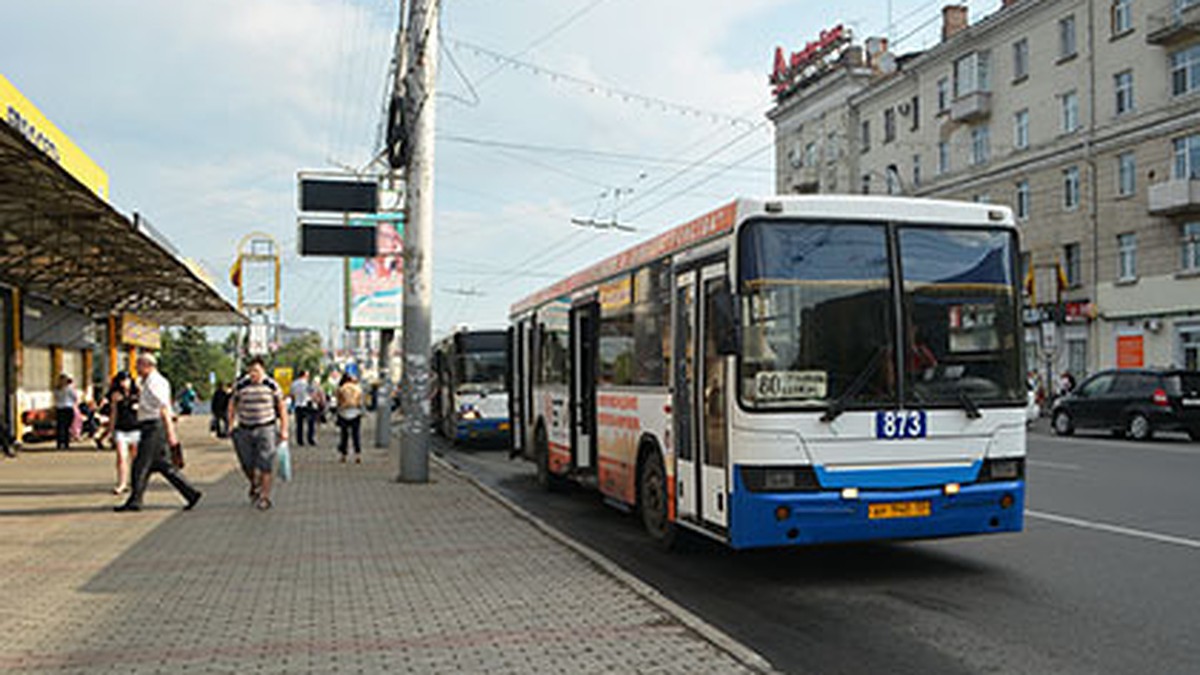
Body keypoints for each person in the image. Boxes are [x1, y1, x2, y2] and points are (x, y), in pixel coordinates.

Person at [115, 354, 202, 512]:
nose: (136, 369)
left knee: (140, 465)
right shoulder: (149, 381)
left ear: (147, 365)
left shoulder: (155, 382)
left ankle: (135, 501)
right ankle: (190, 493)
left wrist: (171, 433)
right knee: (162, 465)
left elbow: (163, 406)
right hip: (152, 426)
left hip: (153, 427)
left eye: (138, 365)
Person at [229, 357, 288, 510]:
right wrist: (230, 423)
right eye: (251, 371)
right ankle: (255, 483)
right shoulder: (241, 385)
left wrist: (284, 429)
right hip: (244, 428)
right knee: (246, 463)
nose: (253, 374)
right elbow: (232, 403)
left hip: (266, 428)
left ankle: (265, 497)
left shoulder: (271, 385)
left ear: (263, 370)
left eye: (256, 371)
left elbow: (281, 407)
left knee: (266, 463)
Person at [106, 371, 139, 495]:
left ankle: (135, 482)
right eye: (121, 381)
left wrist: (139, 407)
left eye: (126, 380)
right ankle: (122, 483)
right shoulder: (115, 395)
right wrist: (110, 430)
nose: (124, 383)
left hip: (136, 428)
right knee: (121, 457)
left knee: (135, 458)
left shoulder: (138, 393)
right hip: (121, 429)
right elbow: (113, 413)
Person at [336, 372, 364, 463]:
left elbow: (339, 402)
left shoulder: (341, 389)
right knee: (356, 435)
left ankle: (343, 455)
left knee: (344, 435)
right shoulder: (358, 389)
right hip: (355, 412)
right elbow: (360, 402)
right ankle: (357, 455)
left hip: (344, 412)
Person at [53, 374, 79, 450]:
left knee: (60, 426)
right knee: (67, 426)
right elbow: (75, 397)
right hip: (68, 408)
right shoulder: (69, 389)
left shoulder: (57, 389)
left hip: (59, 408)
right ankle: (66, 443)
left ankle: (59, 443)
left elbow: (55, 397)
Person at [290, 370, 316, 446]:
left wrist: (294, 402)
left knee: (299, 424)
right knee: (311, 423)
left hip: (298, 405)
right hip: (307, 404)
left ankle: (300, 440)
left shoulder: (294, 384)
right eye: (307, 375)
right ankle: (310, 439)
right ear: (304, 375)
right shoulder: (307, 384)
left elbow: (292, 395)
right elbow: (312, 393)